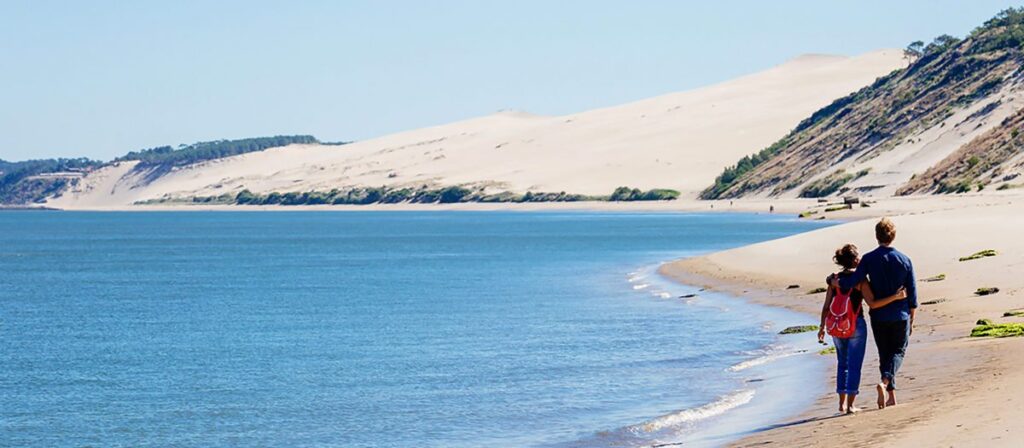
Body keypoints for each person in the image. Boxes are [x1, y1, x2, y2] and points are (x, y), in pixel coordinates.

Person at [830, 217, 917, 409]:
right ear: (893, 236)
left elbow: (853, 280)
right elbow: (912, 294)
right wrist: (912, 319)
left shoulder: (868, 259)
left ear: (876, 236)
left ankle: (891, 397)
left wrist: (835, 282)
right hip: (900, 315)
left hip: (878, 317)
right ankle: (885, 382)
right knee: (898, 352)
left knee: (884, 353)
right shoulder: (905, 260)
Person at [818, 244, 907, 414]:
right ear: (854, 260)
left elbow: (826, 307)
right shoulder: (860, 281)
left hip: (836, 325)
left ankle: (842, 403)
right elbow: (873, 303)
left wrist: (822, 326)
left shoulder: (834, 280)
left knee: (842, 363)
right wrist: (895, 297)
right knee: (854, 365)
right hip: (855, 325)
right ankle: (851, 405)